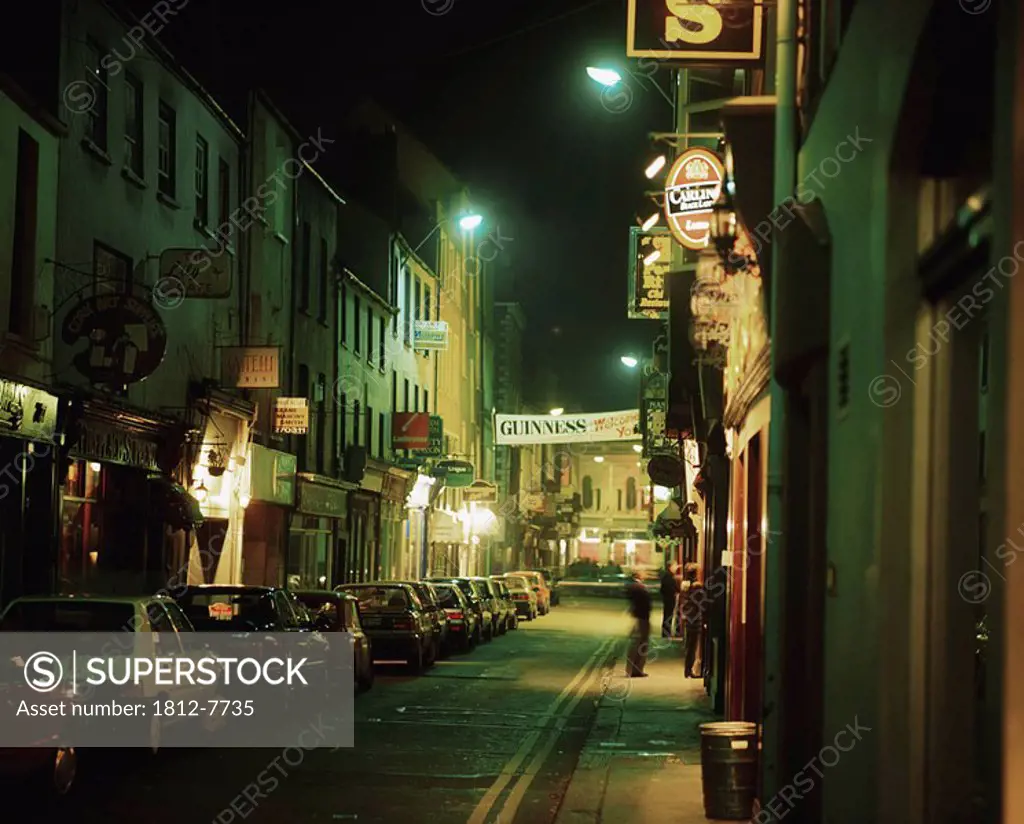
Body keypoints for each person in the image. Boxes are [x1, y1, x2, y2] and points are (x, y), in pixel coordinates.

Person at [624, 572, 652, 677]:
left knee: (637, 644)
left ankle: (633, 669)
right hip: (642, 618)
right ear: (638, 576)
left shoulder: (635, 586)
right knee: (640, 644)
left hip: (639, 617)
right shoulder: (638, 587)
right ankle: (635, 670)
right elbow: (644, 603)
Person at [681, 565, 706, 678]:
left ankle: (687, 669)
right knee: (692, 645)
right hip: (695, 619)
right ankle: (689, 670)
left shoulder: (685, 585)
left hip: (688, 617)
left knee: (689, 646)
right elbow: (701, 603)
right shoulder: (697, 587)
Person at [659, 561, 681, 638]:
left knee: (668, 616)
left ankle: (666, 633)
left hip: (668, 599)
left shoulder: (669, 576)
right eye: (674, 566)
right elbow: (668, 588)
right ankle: (666, 633)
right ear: (670, 567)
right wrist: (676, 592)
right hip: (669, 599)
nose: (676, 568)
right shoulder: (668, 576)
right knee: (668, 616)